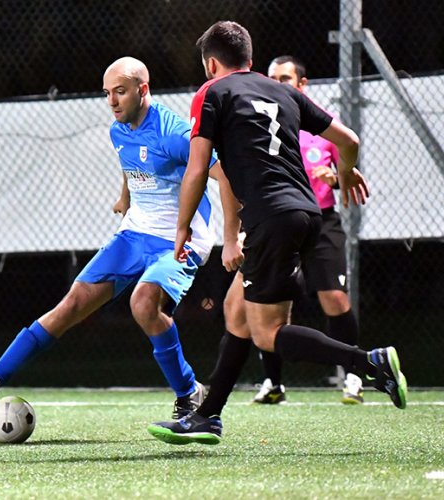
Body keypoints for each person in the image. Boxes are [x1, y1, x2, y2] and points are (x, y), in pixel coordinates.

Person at [147, 21, 407, 445]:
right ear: (250, 59)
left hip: (271, 218)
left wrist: (181, 229)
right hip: (306, 212)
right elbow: (349, 139)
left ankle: (369, 363)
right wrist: (345, 169)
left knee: (267, 332)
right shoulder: (284, 91)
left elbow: (198, 170)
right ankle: (207, 417)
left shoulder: (212, 93)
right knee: (236, 312)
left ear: (212, 63)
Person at [0, 56, 241, 420]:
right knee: (73, 304)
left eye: (120, 92)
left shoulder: (174, 133)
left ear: (143, 90)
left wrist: (232, 237)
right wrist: (125, 195)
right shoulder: (118, 128)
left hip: (180, 237)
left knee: (143, 304)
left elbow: (229, 177)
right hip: (134, 233)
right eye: (107, 93)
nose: (111, 101)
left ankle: (189, 392)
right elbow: (133, 160)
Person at [253, 55, 363, 406]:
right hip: (281, 223)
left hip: (321, 221)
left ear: (302, 85)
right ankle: (273, 383)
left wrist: (338, 174)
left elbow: (348, 156)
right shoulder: (264, 124)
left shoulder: (322, 126)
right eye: (271, 78)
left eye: (285, 78)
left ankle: (356, 376)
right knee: (270, 307)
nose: (277, 84)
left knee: (334, 298)